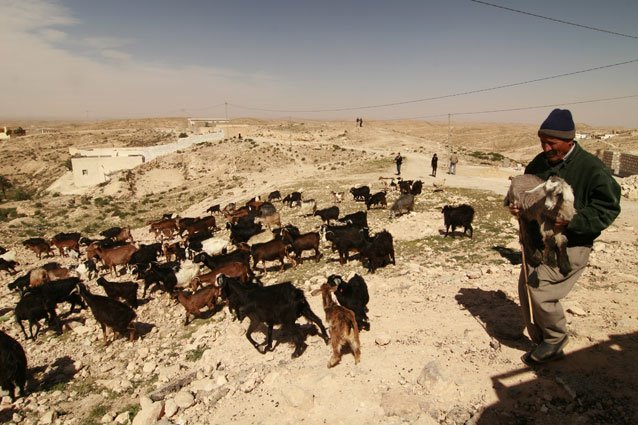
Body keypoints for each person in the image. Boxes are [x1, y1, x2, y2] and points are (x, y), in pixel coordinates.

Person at [508, 108, 621, 366]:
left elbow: (609, 207)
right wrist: (518, 208)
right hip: (535, 241)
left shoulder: (591, 168)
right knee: (527, 288)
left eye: (551, 143)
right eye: (542, 141)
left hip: (568, 245)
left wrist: (575, 221)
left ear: (570, 141)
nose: (545, 148)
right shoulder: (538, 164)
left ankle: (555, 339)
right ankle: (540, 336)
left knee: (541, 288)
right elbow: (526, 195)